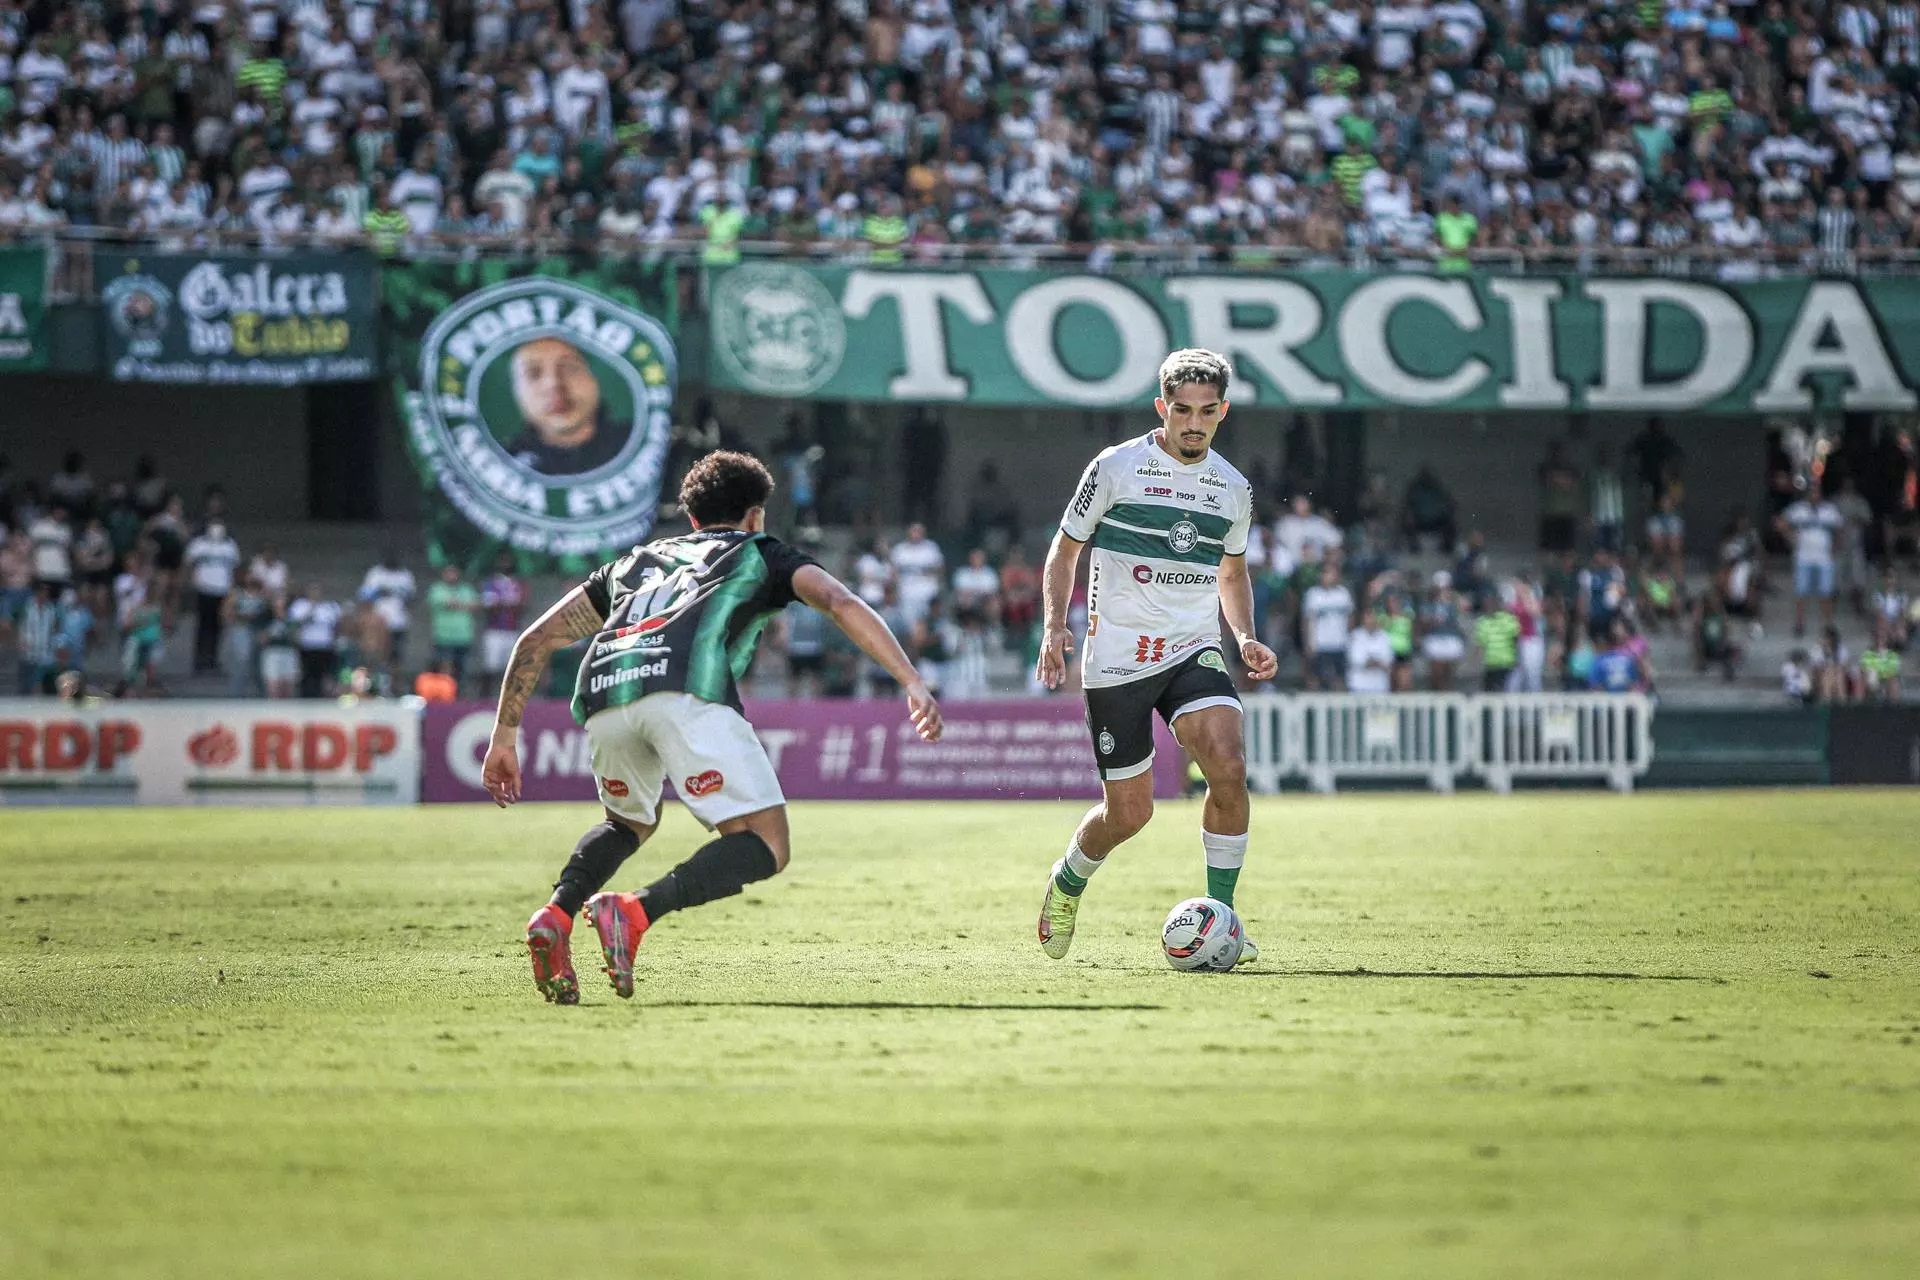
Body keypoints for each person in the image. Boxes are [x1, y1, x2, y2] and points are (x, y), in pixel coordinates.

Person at [487, 451, 943, 1004]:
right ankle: (633, 911)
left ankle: (555, 913)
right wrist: (911, 681)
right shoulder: (759, 552)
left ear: (694, 518)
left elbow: (534, 640)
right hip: (684, 693)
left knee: (628, 823)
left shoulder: (633, 563)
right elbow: (837, 600)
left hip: (606, 694)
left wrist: (504, 737)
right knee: (765, 844)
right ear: (754, 515)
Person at [1033, 349, 1276, 966]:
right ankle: (1067, 882)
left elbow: (1233, 568)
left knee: (1227, 761)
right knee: (1130, 813)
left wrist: (1244, 635)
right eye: (1182, 411)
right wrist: (1053, 627)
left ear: (1223, 412)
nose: (1193, 423)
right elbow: (1064, 553)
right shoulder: (1115, 468)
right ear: (1160, 408)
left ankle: (1224, 919)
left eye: (1207, 412)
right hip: (1116, 659)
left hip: (1192, 647)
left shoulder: (1232, 488)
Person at [503, 336, 625, 475]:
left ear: (594, 379)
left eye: (569, 368)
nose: (553, 384)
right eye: (533, 373)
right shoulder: (501, 464)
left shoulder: (638, 445)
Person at [1777, 482, 1843, 637]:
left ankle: (1828, 625)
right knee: (1801, 591)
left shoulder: (1830, 511)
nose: (1815, 496)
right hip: (1803, 557)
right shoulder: (1798, 509)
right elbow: (1781, 523)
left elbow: (1840, 529)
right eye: (1812, 493)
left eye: (1817, 492)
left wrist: (1836, 548)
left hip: (1824, 558)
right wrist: (1790, 538)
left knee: (1826, 592)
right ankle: (1799, 623)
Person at [184, 519, 240, 674]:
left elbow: (234, 569)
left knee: (218, 627)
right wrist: (191, 583)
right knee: (203, 626)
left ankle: (213, 659)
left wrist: (232, 590)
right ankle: (199, 659)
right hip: (204, 590)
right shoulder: (198, 544)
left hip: (222, 591)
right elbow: (188, 564)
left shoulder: (230, 546)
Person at [426, 563, 480, 692]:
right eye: (449, 573)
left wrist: (458, 604)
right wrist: (464, 605)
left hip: (463, 636)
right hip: (443, 636)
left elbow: (476, 605)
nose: (452, 576)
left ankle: (459, 695)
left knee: (461, 669)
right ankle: (445, 694)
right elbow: (449, 604)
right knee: (445, 668)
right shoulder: (437, 589)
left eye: (454, 573)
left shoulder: (466, 589)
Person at [1300, 560, 1353, 691]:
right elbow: (1307, 621)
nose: (1327, 576)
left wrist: (1349, 639)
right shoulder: (1313, 595)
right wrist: (1308, 643)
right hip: (1319, 643)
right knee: (1315, 676)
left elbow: (1350, 619)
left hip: (1339, 643)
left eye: (1331, 573)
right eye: (1325, 573)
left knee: (1339, 677)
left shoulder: (1343, 594)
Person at [358, 551, 416, 669]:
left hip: (398, 622)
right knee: (377, 655)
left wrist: (403, 596)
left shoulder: (405, 575)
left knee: (396, 656)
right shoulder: (375, 573)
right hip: (378, 621)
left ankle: (393, 683)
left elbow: (412, 598)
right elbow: (364, 595)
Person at [478, 552, 526, 691]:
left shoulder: (517, 584)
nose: (506, 566)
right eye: (502, 563)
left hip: (511, 629)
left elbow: (522, 605)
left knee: (510, 667)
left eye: (508, 563)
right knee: (491, 665)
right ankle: (485, 695)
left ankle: (507, 696)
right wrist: (505, 602)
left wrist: (506, 602)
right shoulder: (491, 583)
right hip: (494, 629)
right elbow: (489, 606)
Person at [288, 582, 342, 699]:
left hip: (325, 646)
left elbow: (336, 626)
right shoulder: (300, 606)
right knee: (307, 675)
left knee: (324, 676)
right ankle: (306, 697)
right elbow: (295, 624)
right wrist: (311, 610)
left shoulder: (329, 607)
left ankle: (323, 697)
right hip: (307, 646)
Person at [1475, 591, 1521, 692]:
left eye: (1491, 603)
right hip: (1491, 663)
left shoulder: (1509, 619)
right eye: (1487, 604)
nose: (1489, 606)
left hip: (1507, 662)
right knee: (1489, 691)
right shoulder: (1483, 622)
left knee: (1505, 690)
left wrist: (1518, 658)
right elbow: (1480, 644)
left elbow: (1516, 639)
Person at [1345, 608, 1395, 695]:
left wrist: (1372, 662)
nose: (1370, 621)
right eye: (1368, 618)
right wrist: (1376, 662)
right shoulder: (1355, 636)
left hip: (1380, 688)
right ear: (1363, 620)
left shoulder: (1384, 637)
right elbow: (1356, 660)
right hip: (1359, 688)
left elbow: (1388, 661)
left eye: (1373, 618)